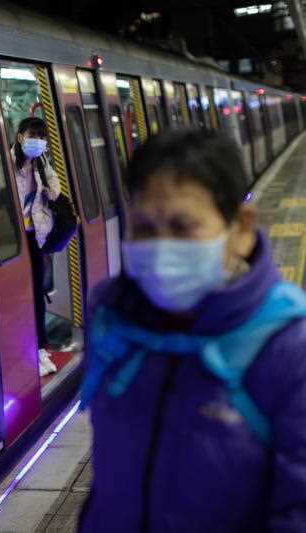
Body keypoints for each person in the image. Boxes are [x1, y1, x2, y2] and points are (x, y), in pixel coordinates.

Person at [79, 129, 306, 532]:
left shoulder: (289, 349)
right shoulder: (112, 321)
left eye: (183, 227)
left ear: (241, 227)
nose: (162, 249)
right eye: (144, 228)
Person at [12, 117, 61, 376]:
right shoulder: (6, 162)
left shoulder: (42, 164)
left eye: (42, 138)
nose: (38, 141)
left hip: (35, 238)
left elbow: (55, 192)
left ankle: (40, 348)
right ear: (20, 137)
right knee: (18, 295)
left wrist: (44, 182)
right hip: (11, 239)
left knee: (37, 292)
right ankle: (24, 348)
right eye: (34, 136)